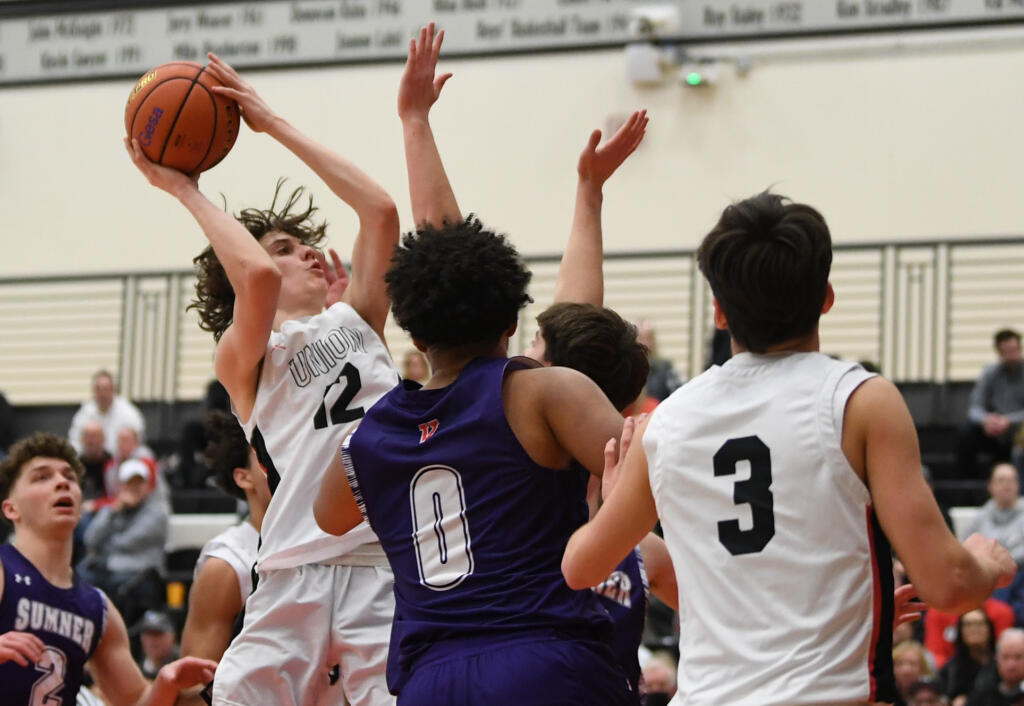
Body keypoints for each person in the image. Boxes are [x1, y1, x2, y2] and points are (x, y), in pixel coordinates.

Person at [561, 192, 1018, 705]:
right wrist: (988, 564)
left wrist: (616, 503)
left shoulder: (662, 425)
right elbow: (950, 586)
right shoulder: (860, 401)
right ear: (826, 296)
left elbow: (580, 568)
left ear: (718, 312)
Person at [126, 51, 400, 706]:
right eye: (282, 246)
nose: (304, 251)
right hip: (291, 576)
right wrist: (184, 189)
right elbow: (254, 278)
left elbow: (382, 211)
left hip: (384, 569)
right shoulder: (244, 355)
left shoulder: (358, 317)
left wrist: (271, 121)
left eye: (303, 244)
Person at [0, 432, 216, 705]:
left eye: (69, 477)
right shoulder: (4, 571)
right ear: (11, 509)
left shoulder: (97, 609)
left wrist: (165, 682)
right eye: (42, 477)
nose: (61, 483)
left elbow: (135, 700)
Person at [179, 410, 270, 663]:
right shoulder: (227, 565)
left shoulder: (329, 540)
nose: (286, 460)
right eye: (270, 452)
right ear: (244, 477)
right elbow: (195, 690)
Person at [79, 458, 168, 625]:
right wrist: (113, 511)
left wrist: (105, 544)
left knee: (116, 586)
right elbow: (90, 538)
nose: (134, 488)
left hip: (142, 572)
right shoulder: (115, 508)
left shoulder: (158, 512)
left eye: (139, 483)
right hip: (111, 568)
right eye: (129, 483)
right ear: (120, 486)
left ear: (148, 486)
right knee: (81, 575)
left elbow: (128, 542)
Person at [957, 330, 1024, 478]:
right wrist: (987, 420)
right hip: (993, 431)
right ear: (999, 352)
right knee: (966, 431)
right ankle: (968, 484)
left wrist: (1008, 421)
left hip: (1018, 431)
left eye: (1014, 350)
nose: (1012, 355)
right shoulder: (989, 372)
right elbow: (974, 408)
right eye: (1007, 351)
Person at [67, 371, 145, 456]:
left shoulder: (129, 413)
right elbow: (74, 441)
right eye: (98, 389)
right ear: (93, 391)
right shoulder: (85, 412)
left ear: (113, 390)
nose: (102, 394)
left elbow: (138, 443)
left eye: (106, 389)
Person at [962, 463, 1024, 565]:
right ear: (990, 485)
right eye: (1001, 480)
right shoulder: (979, 518)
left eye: (1011, 481)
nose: (1006, 485)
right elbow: (964, 550)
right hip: (985, 573)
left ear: (1018, 485)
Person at [939, 610, 997, 706]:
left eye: (979, 624)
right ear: (960, 631)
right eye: (968, 624)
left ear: (989, 629)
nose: (974, 629)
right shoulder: (950, 669)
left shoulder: (1001, 664)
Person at [966, 627, 1024, 706]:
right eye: (1005, 657)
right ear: (997, 659)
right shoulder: (982, 692)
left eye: (1018, 657)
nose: (1011, 665)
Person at [134, 610, 180, 680]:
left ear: (173, 637)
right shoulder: (135, 665)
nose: (152, 640)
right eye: (148, 634)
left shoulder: (181, 666)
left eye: (157, 634)